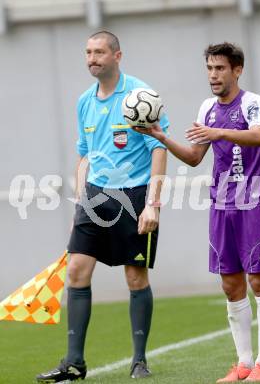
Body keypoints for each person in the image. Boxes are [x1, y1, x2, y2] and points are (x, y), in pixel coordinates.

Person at [135, 42, 260, 382]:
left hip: (254, 202)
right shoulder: (207, 108)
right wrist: (160, 137)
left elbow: (258, 137)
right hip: (222, 205)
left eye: (219, 68)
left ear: (237, 70)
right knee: (231, 285)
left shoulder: (253, 103)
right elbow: (193, 156)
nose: (213, 75)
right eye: (209, 68)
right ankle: (244, 363)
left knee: (259, 280)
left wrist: (217, 132)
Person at [36, 31, 168, 382]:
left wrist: (152, 204)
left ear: (117, 56)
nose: (91, 58)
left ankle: (139, 360)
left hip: (135, 196)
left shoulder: (141, 95)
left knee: (135, 276)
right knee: (77, 271)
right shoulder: (84, 102)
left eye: (99, 52)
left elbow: (159, 148)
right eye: (88, 52)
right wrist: (80, 203)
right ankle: (74, 362)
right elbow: (84, 154)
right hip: (94, 196)